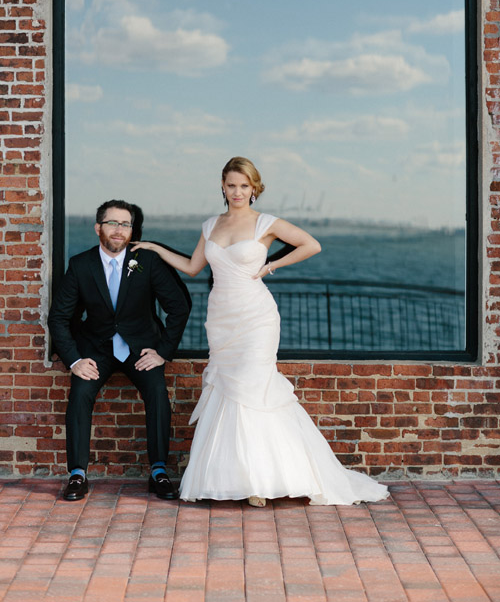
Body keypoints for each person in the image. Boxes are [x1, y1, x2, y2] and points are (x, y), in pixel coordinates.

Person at [133, 158, 389, 506]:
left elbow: (311, 244)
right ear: (222, 187)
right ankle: (237, 479)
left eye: (244, 185)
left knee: (254, 389)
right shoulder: (211, 225)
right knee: (229, 391)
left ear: (254, 188)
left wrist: (272, 264)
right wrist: (155, 248)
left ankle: (259, 484)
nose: (238, 191)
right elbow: (194, 267)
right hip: (222, 320)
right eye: (232, 185)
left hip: (256, 317)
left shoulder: (266, 223)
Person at [48, 199, 191, 502]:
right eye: (113, 223)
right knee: (80, 393)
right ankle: (77, 474)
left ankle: (159, 471)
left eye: (125, 224)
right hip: (96, 349)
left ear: (132, 230)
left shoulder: (147, 262)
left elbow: (178, 307)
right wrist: (74, 360)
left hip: (141, 349)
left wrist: (163, 351)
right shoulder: (80, 265)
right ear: (98, 227)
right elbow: (59, 317)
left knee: (156, 392)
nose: (119, 230)